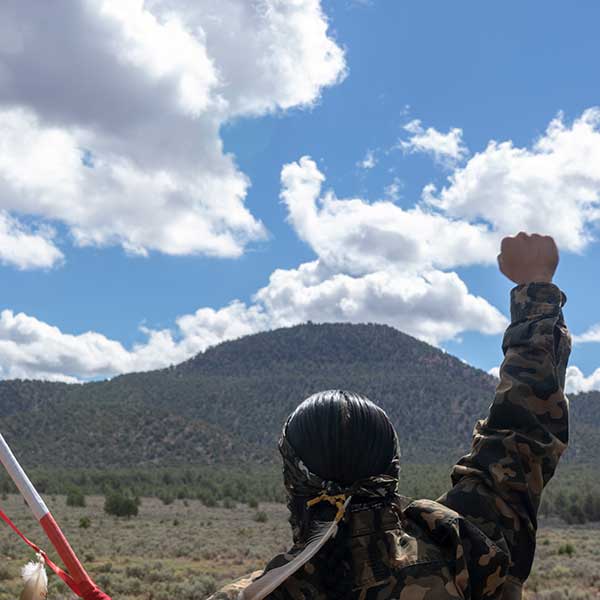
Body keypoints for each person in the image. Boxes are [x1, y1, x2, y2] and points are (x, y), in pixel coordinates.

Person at [208, 232, 570, 600]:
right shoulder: (465, 553)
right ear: (390, 470)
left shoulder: (251, 595)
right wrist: (535, 286)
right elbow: (522, 432)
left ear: (293, 480)